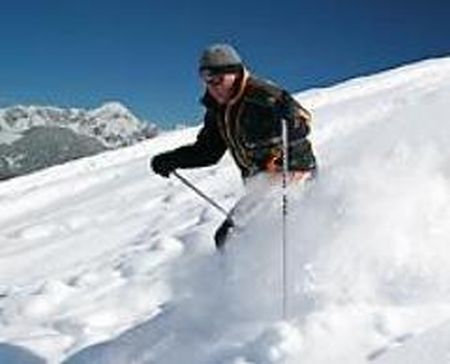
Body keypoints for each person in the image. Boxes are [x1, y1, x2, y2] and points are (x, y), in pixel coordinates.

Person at [151, 44, 316, 249]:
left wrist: (291, 118)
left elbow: (304, 121)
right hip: (260, 185)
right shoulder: (219, 111)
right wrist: (171, 159)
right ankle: (245, 279)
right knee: (227, 240)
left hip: (293, 177)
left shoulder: (264, 95)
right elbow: (208, 151)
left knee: (254, 238)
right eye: (206, 81)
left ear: (235, 73)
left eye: (217, 80)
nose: (212, 87)